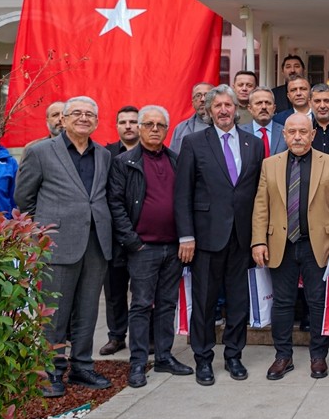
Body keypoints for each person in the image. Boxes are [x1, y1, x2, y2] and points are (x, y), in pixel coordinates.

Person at [15, 96, 113, 397]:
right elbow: (23, 199)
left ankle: (82, 366)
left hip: (96, 243)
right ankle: (50, 371)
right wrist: (42, 233)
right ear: (64, 119)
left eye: (90, 115)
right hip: (57, 244)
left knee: (87, 311)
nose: (84, 118)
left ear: (96, 121)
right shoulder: (41, 152)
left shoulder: (103, 154)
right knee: (54, 313)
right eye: (77, 114)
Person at [174, 84, 265, 386]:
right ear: (209, 110)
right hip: (207, 237)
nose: (224, 110)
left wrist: (258, 236)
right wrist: (186, 236)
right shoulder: (193, 142)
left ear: (237, 109)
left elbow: (257, 193)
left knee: (239, 301)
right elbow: (183, 193)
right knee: (204, 302)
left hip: (241, 237)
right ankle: (203, 359)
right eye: (218, 106)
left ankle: (234, 356)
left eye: (228, 105)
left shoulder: (254, 144)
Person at [253, 114, 329, 380]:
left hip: (318, 245)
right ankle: (283, 356)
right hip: (280, 244)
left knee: (317, 303)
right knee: (282, 303)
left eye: (303, 132)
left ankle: (318, 356)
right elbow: (261, 206)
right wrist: (259, 240)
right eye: (292, 132)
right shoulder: (269, 165)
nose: (297, 136)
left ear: (313, 134)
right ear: (284, 135)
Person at [105, 105, 194, 388]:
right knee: (141, 305)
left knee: (167, 304)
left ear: (167, 130)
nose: (155, 129)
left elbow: (187, 202)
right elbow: (116, 204)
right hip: (143, 248)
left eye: (160, 125)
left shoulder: (177, 160)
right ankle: (138, 363)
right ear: (140, 128)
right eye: (149, 124)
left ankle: (165, 356)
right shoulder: (124, 162)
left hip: (174, 248)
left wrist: (185, 237)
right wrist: (133, 242)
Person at [100, 105, 141, 356]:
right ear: (116, 126)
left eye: (133, 121)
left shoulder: (150, 153)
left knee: (142, 291)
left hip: (142, 236)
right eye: (123, 121)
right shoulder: (105, 155)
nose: (128, 126)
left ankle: (143, 336)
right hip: (114, 235)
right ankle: (116, 336)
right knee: (114, 291)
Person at [169, 82, 213, 153]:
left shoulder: (223, 127)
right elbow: (173, 158)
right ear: (193, 102)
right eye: (198, 95)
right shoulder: (181, 128)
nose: (203, 99)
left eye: (207, 95)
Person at [245, 87, 285, 157]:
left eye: (268, 103)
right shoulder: (239, 132)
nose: (264, 107)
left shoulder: (285, 132)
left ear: (274, 108)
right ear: (250, 108)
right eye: (259, 103)